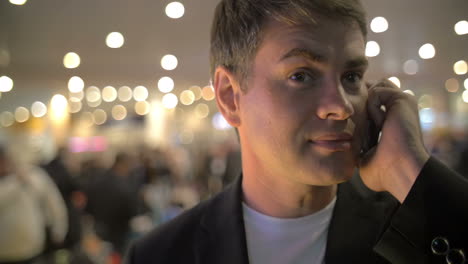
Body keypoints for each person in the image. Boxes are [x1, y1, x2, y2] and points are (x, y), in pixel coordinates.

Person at [128, 1, 468, 263]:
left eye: (351, 77)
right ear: (231, 97)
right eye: (301, 75)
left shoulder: (419, 231)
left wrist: (408, 171)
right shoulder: (161, 254)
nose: (341, 105)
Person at [0, 145, 68, 264]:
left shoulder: (33, 174)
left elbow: (54, 203)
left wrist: (59, 229)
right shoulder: (19, 178)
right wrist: (16, 182)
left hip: (32, 248)